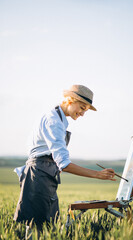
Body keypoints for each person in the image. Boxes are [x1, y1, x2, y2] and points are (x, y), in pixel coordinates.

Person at [14, 84, 116, 238]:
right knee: (37, 228)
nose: (82, 114)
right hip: (39, 176)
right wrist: (97, 175)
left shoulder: (59, 119)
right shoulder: (53, 121)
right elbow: (64, 164)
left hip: (46, 175)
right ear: (70, 100)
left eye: (85, 110)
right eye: (81, 108)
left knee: (48, 227)